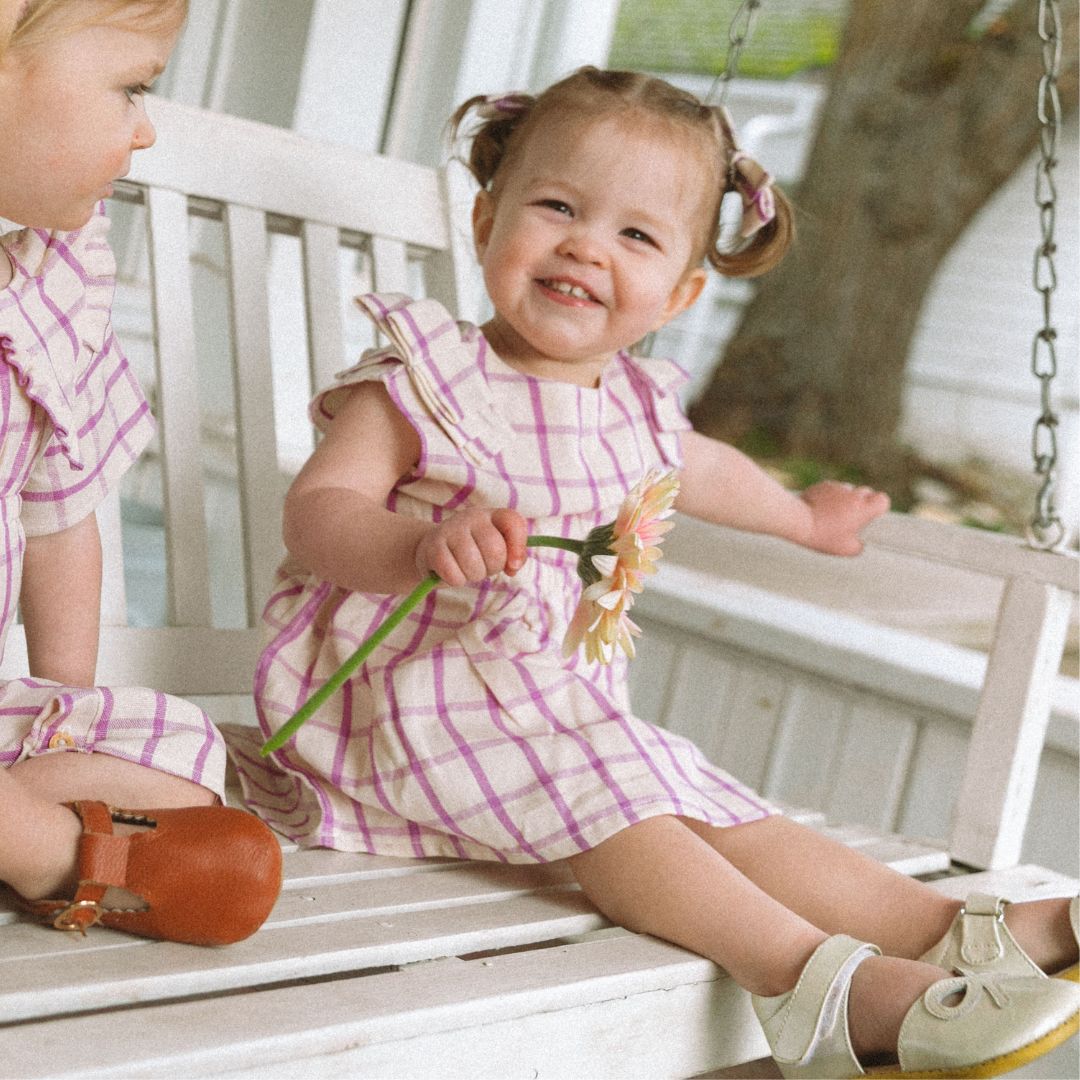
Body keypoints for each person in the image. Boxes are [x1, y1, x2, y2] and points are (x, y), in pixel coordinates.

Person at [234, 67, 1079, 1075]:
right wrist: (416, 547)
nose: (587, 245)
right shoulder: (421, 380)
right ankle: (814, 983)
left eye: (636, 235)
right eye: (557, 208)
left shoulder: (634, 405)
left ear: (679, 290)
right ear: (488, 217)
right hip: (399, 712)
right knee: (627, 802)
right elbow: (319, 514)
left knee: (713, 801)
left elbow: (706, 471)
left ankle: (942, 929)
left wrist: (800, 517)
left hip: (550, 713)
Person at [0, 0, 281, 946]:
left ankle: (28, 819)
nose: (147, 125)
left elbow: (57, 507)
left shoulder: (50, 272)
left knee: (186, 751)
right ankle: (48, 852)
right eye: (130, 88)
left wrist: (65, 709)